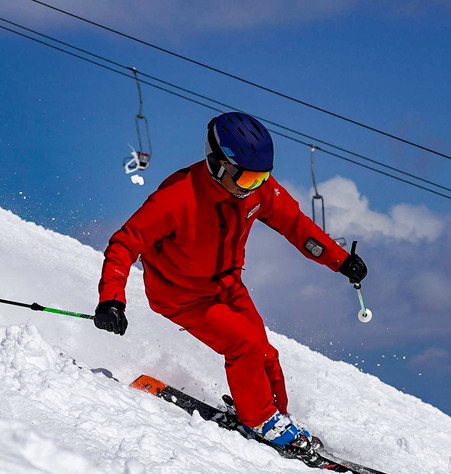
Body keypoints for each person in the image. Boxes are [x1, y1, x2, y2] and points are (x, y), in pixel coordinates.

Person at [93, 111, 368, 451]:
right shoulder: (177, 198)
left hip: (228, 286)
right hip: (182, 295)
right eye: (246, 179)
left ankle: (275, 418)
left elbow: (295, 224)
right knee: (244, 345)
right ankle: (260, 420)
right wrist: (111, 300)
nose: (253, 188)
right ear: (216, 163)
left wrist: (339, 260)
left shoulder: (256, 191)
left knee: (266, 355)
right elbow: (124, 244)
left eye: (261, 179)